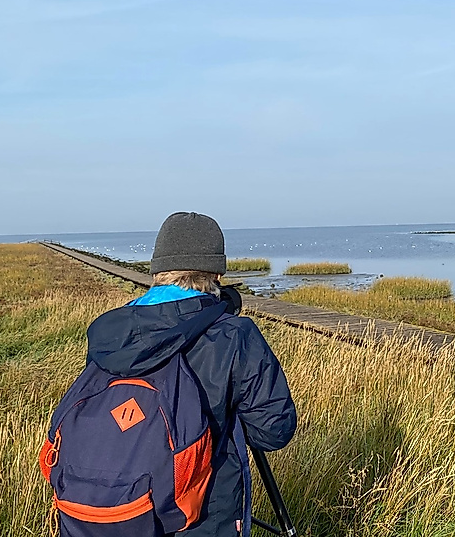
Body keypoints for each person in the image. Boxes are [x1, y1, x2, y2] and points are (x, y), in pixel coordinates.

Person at [86, 212, 297, 536]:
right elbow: (274, 431)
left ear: (157, 270)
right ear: (216, 273)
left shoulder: (114, 332)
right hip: (202, 517)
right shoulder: (233, 335)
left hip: (116, 511)